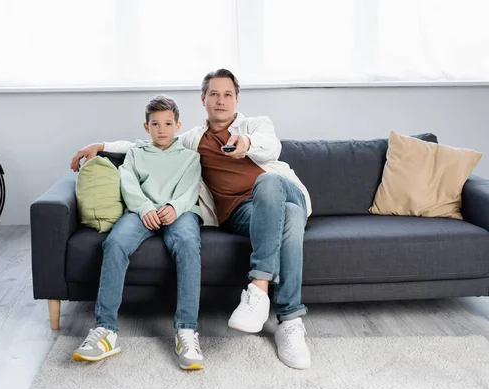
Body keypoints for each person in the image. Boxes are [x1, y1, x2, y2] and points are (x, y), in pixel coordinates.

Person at [71, 69, 313, 370]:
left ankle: (260, 290)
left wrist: (247, 144)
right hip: (243, 213)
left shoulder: (255, 125)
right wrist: (103, 147)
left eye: (227, 95)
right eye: (214, 94)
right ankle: (290, 322)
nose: (221, 101)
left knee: (270, 187)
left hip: (284, 192)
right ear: (203, 99)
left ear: (237, 99)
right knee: (287, 219)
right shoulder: (192, 141)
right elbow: (148, 144)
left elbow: (271, 145)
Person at [72, 95, 205, 371]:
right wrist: (144, 207)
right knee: (115, 244)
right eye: (155, 124)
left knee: (189, 245)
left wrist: (175, 207)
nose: (162, 129)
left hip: (179, 213)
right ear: (146, 127)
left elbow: (190, 188)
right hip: (140, 212)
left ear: (178, 125)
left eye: (168, 123)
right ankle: (105, 330)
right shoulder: (136, 152)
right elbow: (128, 182)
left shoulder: (191, 156)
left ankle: (186, 332)